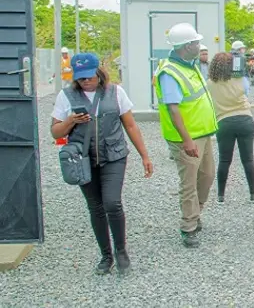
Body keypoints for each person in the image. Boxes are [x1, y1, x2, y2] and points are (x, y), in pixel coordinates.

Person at [50, 53, 153, 275]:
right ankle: (106, 255)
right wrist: (70, 121)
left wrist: (144, 155)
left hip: (114, 156)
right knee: (95, 207)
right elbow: (55, 131)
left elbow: (131, 126)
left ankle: (121, 250)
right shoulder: (66, 96)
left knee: (112, 203)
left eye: (89, 76)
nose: (85, 81)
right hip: (83, 160)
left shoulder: (116, 92)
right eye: (81, 78)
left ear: (99, 72)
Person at [153, 22, 219, 248]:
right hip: (187, 139)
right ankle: (188, 226)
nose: (200, 46)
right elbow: (173, 109)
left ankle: (195, 213)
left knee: (208, 175)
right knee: (189, 182)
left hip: (203, 134)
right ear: (185, 46)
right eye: (196, 43)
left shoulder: (189, 66)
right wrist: (187, 140)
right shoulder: (170, 73)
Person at [206, 52, 254, 203]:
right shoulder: (241, 80)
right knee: (248, 159)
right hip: (245, 119)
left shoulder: (209, 83)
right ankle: (253, 194)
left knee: (224, 160)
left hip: (224, 121)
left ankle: (221, 196)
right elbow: (246, 92)